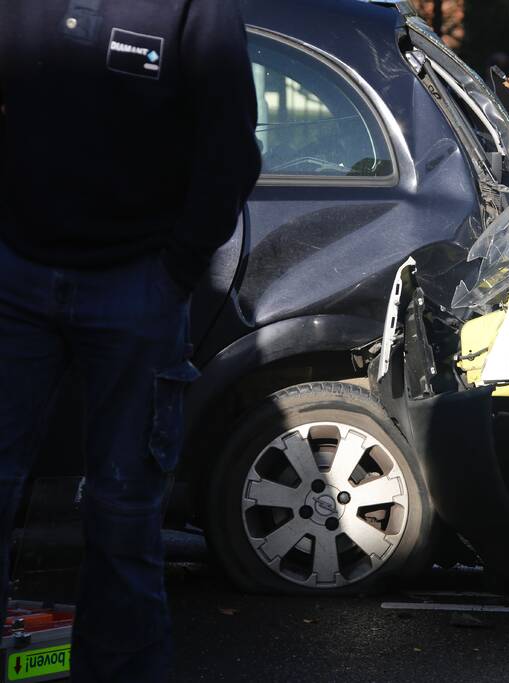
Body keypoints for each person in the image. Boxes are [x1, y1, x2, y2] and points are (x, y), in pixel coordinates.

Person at [0, 0, 261, 679]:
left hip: (136, 287)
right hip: (15, 276)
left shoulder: (197, 9)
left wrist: (173, 270)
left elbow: (231, 146)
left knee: (123, 514)